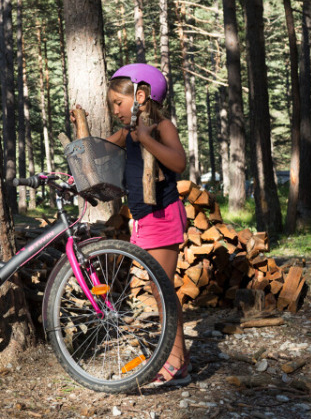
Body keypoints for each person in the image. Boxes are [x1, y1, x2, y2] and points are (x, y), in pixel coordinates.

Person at [105, 63, 190, 386]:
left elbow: (179, 162)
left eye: (118, 103)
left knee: (163, 291)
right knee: (158, 289)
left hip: (163, 215)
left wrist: (145, 138)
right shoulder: (128, 133)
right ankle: (178, 358)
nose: (115, 110)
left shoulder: (161, 126)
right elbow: (104, 149)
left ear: (141, 96)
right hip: (142, 219)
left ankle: (176, 360)